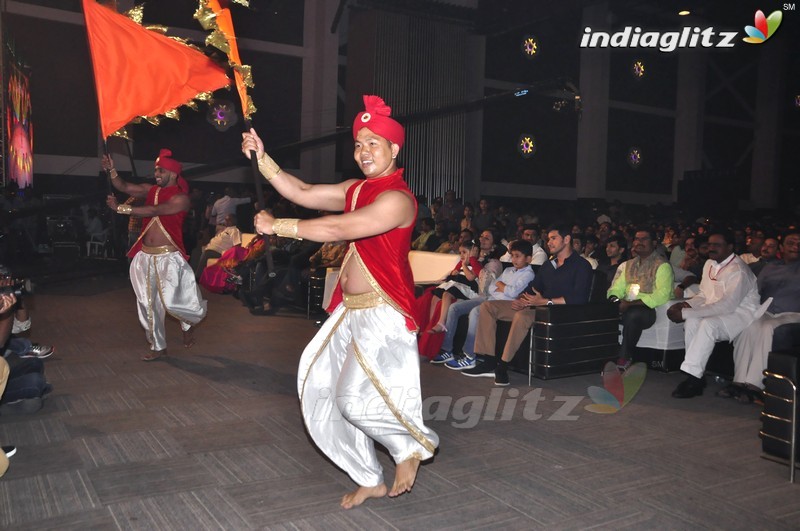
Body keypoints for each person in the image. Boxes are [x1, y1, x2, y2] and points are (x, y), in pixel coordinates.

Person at [241, 95, 438, 509]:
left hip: (384, 312)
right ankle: (369, 477)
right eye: (358, 144)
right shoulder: (355, 189)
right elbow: (305, 191)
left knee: (352, 399)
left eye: (374, 144)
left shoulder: (397, 199)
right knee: (320, 387)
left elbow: (339, 228)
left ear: (394, 150)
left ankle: (407, 449)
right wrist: (263, 160)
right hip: (350, 311)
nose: (364, 152)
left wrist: (278, 226)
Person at [103, 149, 208, 361]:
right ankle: (158, 346)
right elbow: (123, 186)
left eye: (160, 170)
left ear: (173, 173)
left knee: (171, 302)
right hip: (144, 257)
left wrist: (121, 209)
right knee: (147, 305)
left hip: (168, 257)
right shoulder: (150, 190)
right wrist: (112, 169)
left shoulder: (181, 199)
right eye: (155, 170)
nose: (156, 174)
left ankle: (187, 324)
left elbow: (155, 211)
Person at [464, 226, 593, 385]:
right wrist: (521, 299)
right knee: (488, 307)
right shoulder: (549, 265)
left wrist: (545, 301)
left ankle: (503, 366)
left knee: (522, 315)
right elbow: (532, 287)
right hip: (537, 306)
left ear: (566, 240)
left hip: (559, 312)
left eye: (553, 238)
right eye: (548, 239)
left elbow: (579, 298)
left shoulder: (581, 266)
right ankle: (489, 359)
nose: (549, 242)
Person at [667, 230, 762, 398]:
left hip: (740, 314)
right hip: (718, 311)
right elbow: (704, 295)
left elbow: (727, 306)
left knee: (707, 324)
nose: (711, 248)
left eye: (717, 245)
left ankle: (693, 380)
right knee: (692, 322)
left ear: (730, 247)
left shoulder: (738, 270)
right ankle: (696, 375)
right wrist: (685, 305)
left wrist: (686, 312)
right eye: (710, 244)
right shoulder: (709, 264)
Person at [725, 230, 800, 403]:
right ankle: (739, 381)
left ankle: (755, 385)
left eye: (799, 243)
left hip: (793, 314)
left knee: (767, 328)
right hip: (766, 311)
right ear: (782, 247)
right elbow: (755, 291)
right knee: (749, 325)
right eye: (791, 243)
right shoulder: (771, 267)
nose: (795, 246)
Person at [607, 229, 674, 371]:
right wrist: (615, 300)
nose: (639, 242)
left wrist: (630, 304)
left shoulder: (662, 265)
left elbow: (662, 295)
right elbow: (616, 288)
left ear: (654, 243)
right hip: (626, 305)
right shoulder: (628, 265)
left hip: (647, 310)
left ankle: (625, 358)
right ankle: (604, 355)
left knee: (633, 314)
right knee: (603, 309)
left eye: (644, 239)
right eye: (637, 239)